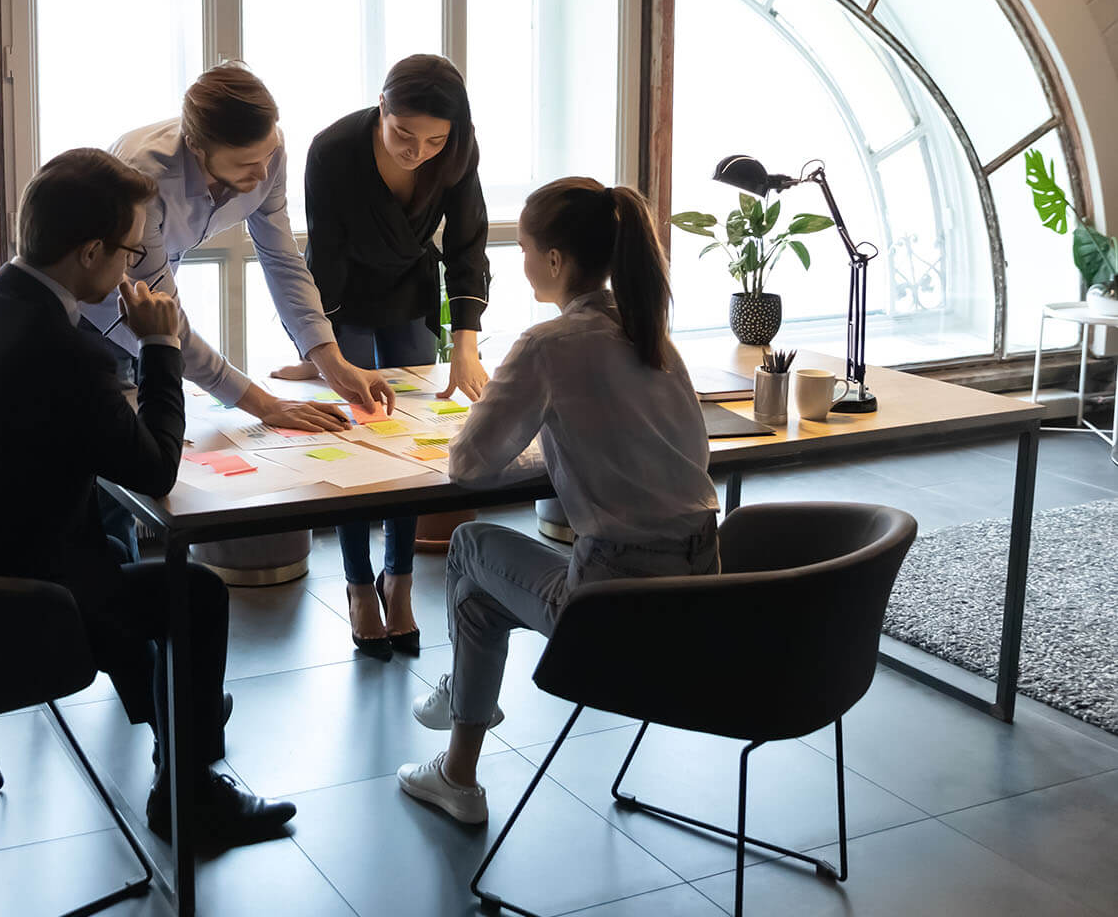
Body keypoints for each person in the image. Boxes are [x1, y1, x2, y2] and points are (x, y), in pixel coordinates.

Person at [0, 148, 295, 844]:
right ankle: (188, 792)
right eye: (131, 254)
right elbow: (157, 468)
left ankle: (182, 718)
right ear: (91, 251)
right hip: (2, 608)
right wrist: (162, 346)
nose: (134, 269)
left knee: (108, 551)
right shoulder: (69, 355)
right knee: (194, 593)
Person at [396, 178, 721, 824]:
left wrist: (533, 436)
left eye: (522, 249)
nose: (519, 265)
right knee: (481, 597)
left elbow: (469, 465)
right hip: (704, 600)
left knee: (469, 550)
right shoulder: (652, 334)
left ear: (554, 260)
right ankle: (458, 745)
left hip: (612, 609)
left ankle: (459, 752)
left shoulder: (549, 345)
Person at [93, 62, 394, 556]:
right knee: (109, 488)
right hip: (96, 315)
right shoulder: (144, 174)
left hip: (148, 307)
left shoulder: (268, 155)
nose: (263, 174)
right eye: (246, 165)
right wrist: (264, 405)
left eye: (269, 154)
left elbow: (281, 257)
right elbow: (165, 321)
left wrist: (331, 360)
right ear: (198, 149)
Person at [301, 53, 491, 659]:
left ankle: (399, 579)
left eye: (435, 140)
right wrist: (322, 352)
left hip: (410, 289)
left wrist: (465, 345)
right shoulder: (332, 149)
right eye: (404, 134)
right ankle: (359, 585)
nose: (418, 152)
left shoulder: (456, 150)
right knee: (357, 438)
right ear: (381, 106)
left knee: (411, 441)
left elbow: (468, 243)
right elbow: (324, 253)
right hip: (343, 294)